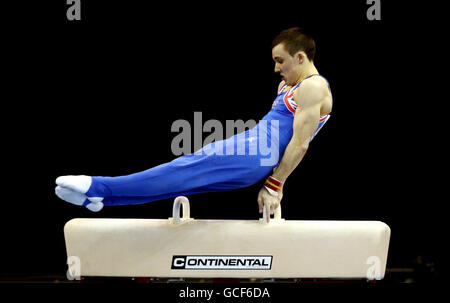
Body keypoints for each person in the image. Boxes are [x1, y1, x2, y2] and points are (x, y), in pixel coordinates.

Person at [55, 27, 333, 215]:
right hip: (251, 147)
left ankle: (97, 186)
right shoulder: (289, 86)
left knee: (182, 169)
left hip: (257, 153)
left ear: (300, 57)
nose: (275, 68)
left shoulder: (314, 87)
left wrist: (275, 186)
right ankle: (103, 198)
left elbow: (300, 143)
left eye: (279, 60)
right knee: (182, 180)